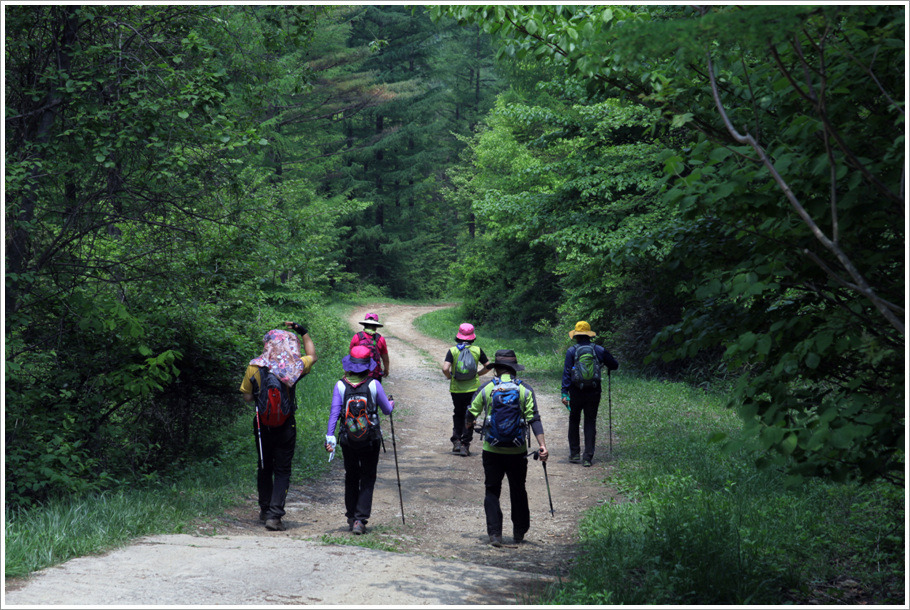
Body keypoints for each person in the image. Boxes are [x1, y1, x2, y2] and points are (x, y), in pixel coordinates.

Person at [466, 349, 548, 547]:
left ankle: (495, 535)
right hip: (517, 451)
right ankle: (519, 532)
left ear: (496, 370)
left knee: (492, 490)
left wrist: (470, 425)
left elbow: (470, 415)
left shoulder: (487, 389)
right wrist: (542, 445)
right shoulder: (525, 390)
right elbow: (534, 418)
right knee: (518, 489)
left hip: (492, 450)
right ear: (514, 370)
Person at [240, 322, 317, 531]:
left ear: (267, 345)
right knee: (282, 470)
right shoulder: (294, 366)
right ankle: (274, 516)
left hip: (261, 424)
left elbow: (247, 397)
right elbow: (313, 355)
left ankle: (264, 509)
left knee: (264, 465)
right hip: (286, 424)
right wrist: (303, 332)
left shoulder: (254, 366)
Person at [325, 344, 395, 535]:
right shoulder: (374, 384)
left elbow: (334, 413)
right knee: (368, 477)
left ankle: (350, 517)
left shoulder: (340, 385)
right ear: (367, 366)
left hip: (348, 439)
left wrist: (330, 437)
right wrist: (391, 403)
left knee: (351, 476)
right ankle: (360, 520)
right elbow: (387, 410)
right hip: (370, 439)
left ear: (349, 365)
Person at [561, 321, 619, 467]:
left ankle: (574, 454)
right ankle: (587, 457)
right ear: (589, 335)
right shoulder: (598, 350)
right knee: (590, 421)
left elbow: (567, 373)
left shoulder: (571, 351)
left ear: (576, 336)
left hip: (575, 391)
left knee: (574, 420)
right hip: (593, 392)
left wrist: (564, 392)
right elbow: (615, 365)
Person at [441, 322, 493, 457]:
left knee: (458, 413)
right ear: (472, 336)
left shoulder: (453, 350)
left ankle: (456, 441)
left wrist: (450, 377)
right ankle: (465, 445)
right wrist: (478, 374)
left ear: (459, 335)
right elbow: (488, 366)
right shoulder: (477, 350)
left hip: (457, 389)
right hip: (473, 388)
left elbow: (445, 368)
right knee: (470, 415)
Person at [350, 312, 390, 383]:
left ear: (364, 325)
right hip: (375, 374)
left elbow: (351, 355)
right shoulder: (380, 339)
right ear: (376, 326)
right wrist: (386, 369)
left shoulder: (357, 337)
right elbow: (385, 358)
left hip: (359, 373)